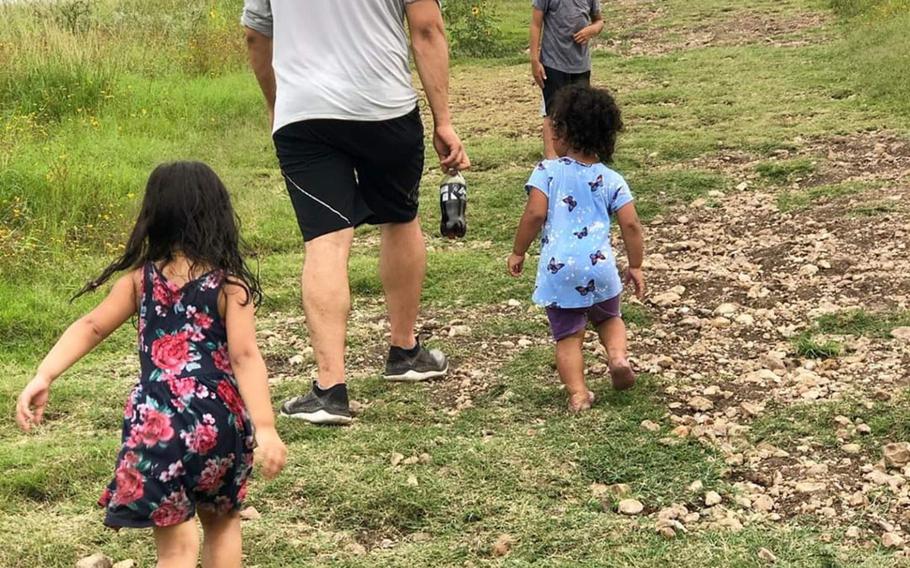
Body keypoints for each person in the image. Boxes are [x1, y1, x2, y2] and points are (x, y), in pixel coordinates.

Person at [15, 162, 287, 568]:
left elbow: (91, 326)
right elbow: (244, 356)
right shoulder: (230, 286)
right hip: (220, 420)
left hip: (158, 419)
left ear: (153, 217)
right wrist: (265, 427)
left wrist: (45, 373)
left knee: (176, 549)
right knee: (223, 522)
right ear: (219, 215)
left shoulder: (140, 282)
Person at [242, 0, 470, 425]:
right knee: (400, 217)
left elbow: (257, 34)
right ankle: (405, 351)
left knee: (325, 240)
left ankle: (330, 389)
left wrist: (279, 104)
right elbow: (427, 29)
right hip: (384, 105)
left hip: (305, 113)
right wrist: (444, 120)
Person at [507, 85, 645, 412]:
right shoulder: (611, 179)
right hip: (600, 267)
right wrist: (636, 265)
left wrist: (519, 251)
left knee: (568, 336)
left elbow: (535, 214)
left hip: (560, 270)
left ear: (564, 133)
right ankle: (617, 357)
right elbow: (631, 225)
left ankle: (579, 393)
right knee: (610, 318)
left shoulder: (547, 172)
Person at [530, 0, 605, 159]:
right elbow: (536, 23)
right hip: (553, 63)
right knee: (553, 112)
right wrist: (535, 60)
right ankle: (552, 161)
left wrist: (592, 30)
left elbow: (599, 21)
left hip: (581, 65)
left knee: (581, 112)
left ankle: (578, 157)